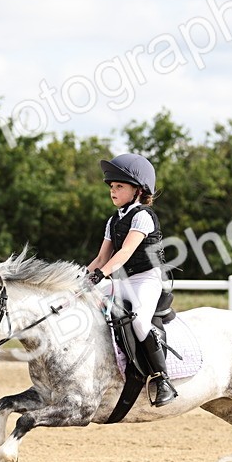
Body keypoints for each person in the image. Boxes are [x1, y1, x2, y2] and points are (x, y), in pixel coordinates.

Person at [86, 153, 178, 407]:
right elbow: (102, 256)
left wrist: (101, 274)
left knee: (138, 320)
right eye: (112, 187)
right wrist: (82, 278)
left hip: (148, 279)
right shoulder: (113, 220)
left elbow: (124, 252)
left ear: (137, 190)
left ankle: (162, 379)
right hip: (123, 279)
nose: (113, 191)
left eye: (119, 186)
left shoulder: (143, 216)